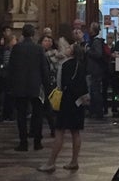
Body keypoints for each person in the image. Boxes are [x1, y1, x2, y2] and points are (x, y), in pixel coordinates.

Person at [38, 41, 89, 171]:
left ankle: (51, 162)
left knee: (59, 131)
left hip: (66, 101)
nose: (66, 48)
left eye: (69, 47)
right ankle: (74, 161)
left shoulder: (65, 64)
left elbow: (60, 84)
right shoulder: (81, 65)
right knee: (75, 132)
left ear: (72, 52)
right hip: (78, 102)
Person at [7, 23, 49, 151]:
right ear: (33, 34)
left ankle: (23, 142)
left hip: (20, 86)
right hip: (35, 86)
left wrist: (11, 84)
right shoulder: (38, 49)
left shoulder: (16, 48)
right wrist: (46, 85)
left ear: (23, 34)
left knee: (21, 115)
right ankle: (37, 142)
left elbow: (11, 68)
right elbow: (44, 68)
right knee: (37, 114)